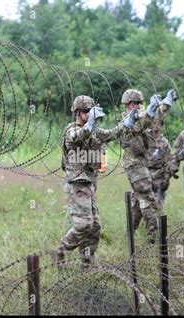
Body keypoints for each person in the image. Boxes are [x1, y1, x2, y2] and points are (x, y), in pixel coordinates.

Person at [57, 95, 134, 268]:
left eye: (90, 111)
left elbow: (110, 134)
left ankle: (87, 263)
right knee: (84, 224)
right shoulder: (72, 130)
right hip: (77, 183)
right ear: (77, 112)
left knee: (95, 227)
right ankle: (61, 249)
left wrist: (127, 123)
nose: (88, 115)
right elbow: (75, 138)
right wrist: (90, 124)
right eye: (85, 112)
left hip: (89, 183)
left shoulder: (93, 130)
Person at [119, 89, 177, 242]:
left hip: (141, 164)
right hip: (134, 165)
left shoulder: (142, 116)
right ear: (127, 104)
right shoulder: (126, 120)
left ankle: (129, 235)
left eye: (140, 103)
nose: (138, 105)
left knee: (138, 203)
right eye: (134, 103)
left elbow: (155, 118)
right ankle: (154, 237)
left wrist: (165, 104)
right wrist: (151, 110)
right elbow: (139, 125)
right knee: (148, 198)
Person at [146, 120, 176, 211]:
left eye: (158, 123)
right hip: (146, 174)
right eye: (154, 123)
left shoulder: (164, 142)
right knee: (145, 203)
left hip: (159, 175)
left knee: (158, 204)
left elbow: (168, 160)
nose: (156, 125)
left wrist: (167, 177)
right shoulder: (145, 138)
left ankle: (158, 223)